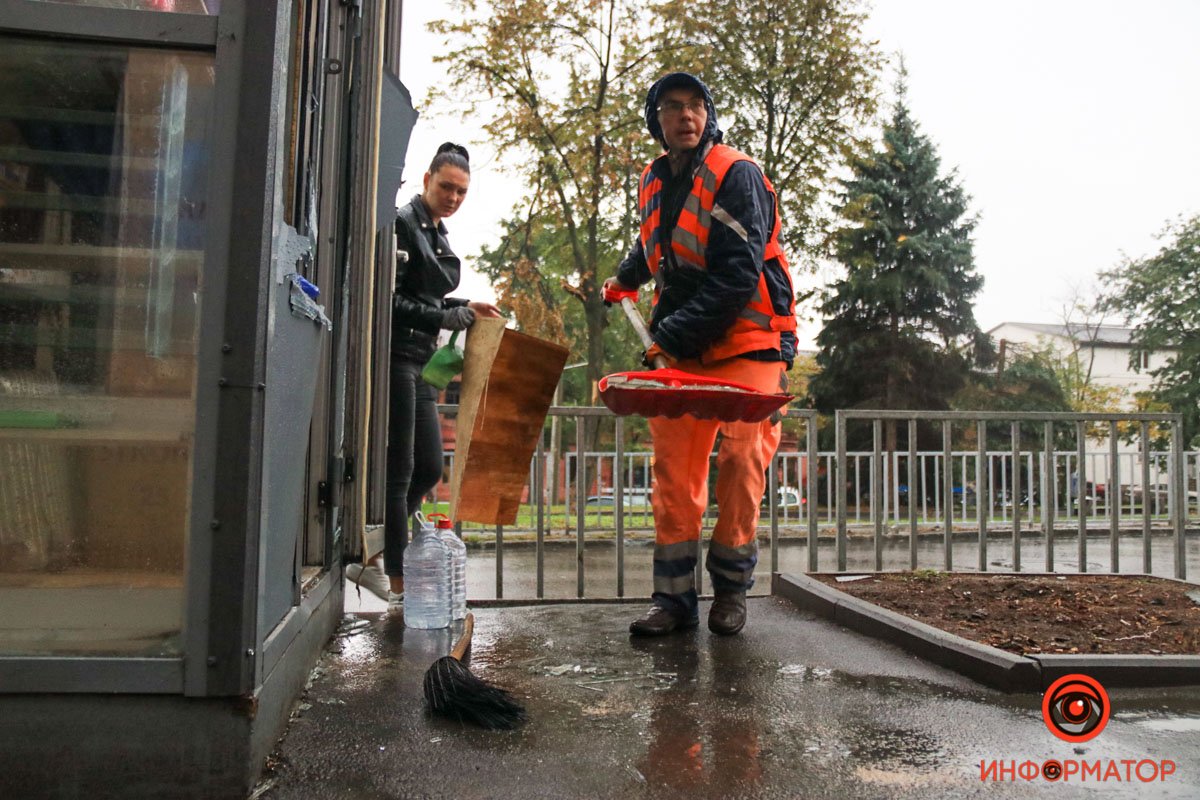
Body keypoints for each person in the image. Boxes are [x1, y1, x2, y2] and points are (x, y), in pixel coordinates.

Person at [603, 72, 796, 636]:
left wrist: (673, 336)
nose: (684, 115)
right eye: (671, 107)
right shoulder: (654, 181)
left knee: (741, 463)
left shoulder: (738, 176)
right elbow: (654, 243)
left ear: (709, 115)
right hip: (684, 342)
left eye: (695, 106)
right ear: (656, 122)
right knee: (674, 472)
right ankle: (674, 601)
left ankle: (732, 591)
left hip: (750, 341)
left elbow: (737, 278)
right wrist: (623, 280)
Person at [347, 142, 501, 603]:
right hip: (394, 356)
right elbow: (385, 299)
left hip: (420, 361)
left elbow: (428, 299)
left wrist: (460, 305)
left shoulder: (435, 230)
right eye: (447, 187)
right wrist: (442, 317)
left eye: (462, 192)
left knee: (431, 467)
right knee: (402, 470)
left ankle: (377, 552)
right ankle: (396, 579)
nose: (453, 197)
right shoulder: (400, 223)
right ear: (427, 180)